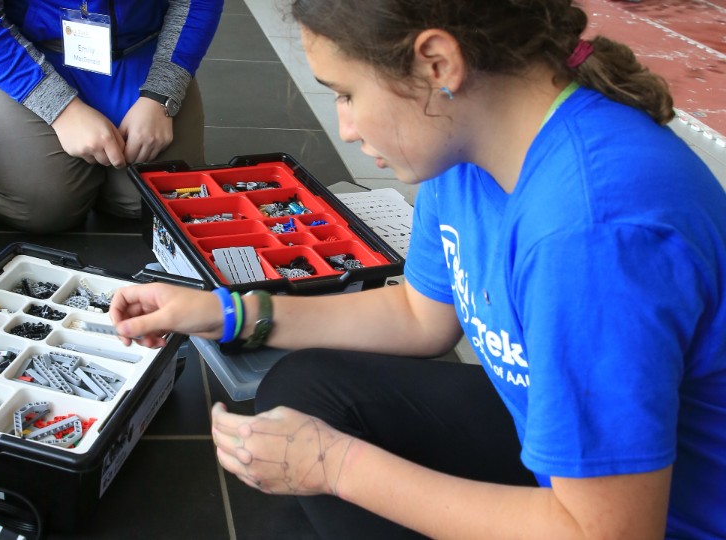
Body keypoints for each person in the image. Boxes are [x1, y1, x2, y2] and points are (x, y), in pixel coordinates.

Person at [109, 0, 726, 538]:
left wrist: (336, 466)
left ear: (436, 64)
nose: (345, 127)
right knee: (305, 391)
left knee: (323, 469)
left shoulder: (591, 236)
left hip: (650, 519)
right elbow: (418, 315)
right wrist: (228, 311)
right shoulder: (468, 136)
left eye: (346, 93)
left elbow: (606, 534)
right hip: (564, 459)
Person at [0, 0, 223, 232]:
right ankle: (6, 161)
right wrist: (61, 110)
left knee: (155, 203)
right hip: (15, 48)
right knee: (39, 209)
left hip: (142, 47)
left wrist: (161, 95)